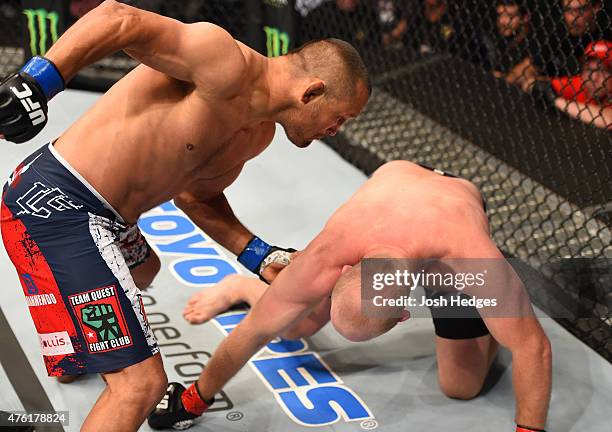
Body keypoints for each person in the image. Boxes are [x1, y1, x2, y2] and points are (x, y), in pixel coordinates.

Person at [0, 0, 370, 430]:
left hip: (108, 216)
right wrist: (37, 82)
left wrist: (260, 257)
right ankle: (94, 347)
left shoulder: (257, 134)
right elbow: (119, 19)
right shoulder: (223, 60)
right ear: (312, 92)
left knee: (144, 269)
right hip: (56, 203)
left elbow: (197, 197)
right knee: (140, 385)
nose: (336, 130)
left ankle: (73, 349)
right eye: (340, 117)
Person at [149, 161, 552, 432]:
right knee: (294, 326)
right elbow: (254, 332)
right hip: (391, 190)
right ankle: (243, 287)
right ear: (343, 272)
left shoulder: (469, 257)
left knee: (461, 384)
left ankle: (489, 322)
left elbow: (534, 349)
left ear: (403, 314)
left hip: (454, 205)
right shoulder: (333, 249)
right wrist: (193, 399)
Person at [513, 0, 610, 91]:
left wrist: (547, 84)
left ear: (596, 7)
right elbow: (528, 67)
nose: (573, 18)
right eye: (568, 10)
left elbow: (596, 85)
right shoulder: (560, 33)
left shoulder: (607, 32)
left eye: (579, 10)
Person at [541, 40, 611, 129]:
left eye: (603, 71)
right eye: (589, 69)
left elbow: (608, 120)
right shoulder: (579, 83)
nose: (594, 77)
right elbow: (538, 84)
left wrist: (556, 101)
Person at [485, 0, 532, 85]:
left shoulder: (532, 43)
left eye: (510, 16)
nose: (502, 21)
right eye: (500, 15)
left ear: (525, 18)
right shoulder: (496, 37)